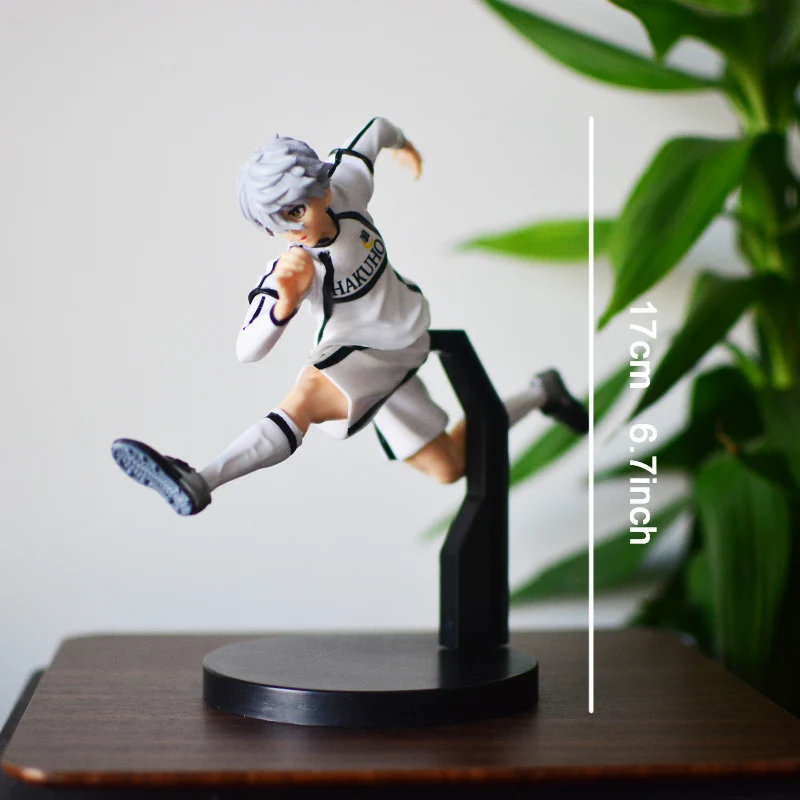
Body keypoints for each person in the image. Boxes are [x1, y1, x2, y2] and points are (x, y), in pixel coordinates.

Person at [112, 118, 588, 515]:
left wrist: (406, 147)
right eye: (276, 223)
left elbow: (376, 129)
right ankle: (542, 391)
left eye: (296, 211)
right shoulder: (292, 268)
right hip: (371, 362)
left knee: (304, 398)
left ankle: (201, 479)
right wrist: (282, 305)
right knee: (450, 466)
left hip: (394, 343)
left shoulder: (346, 187)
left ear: (319, 188)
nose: (293, 230)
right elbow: (246, 350)